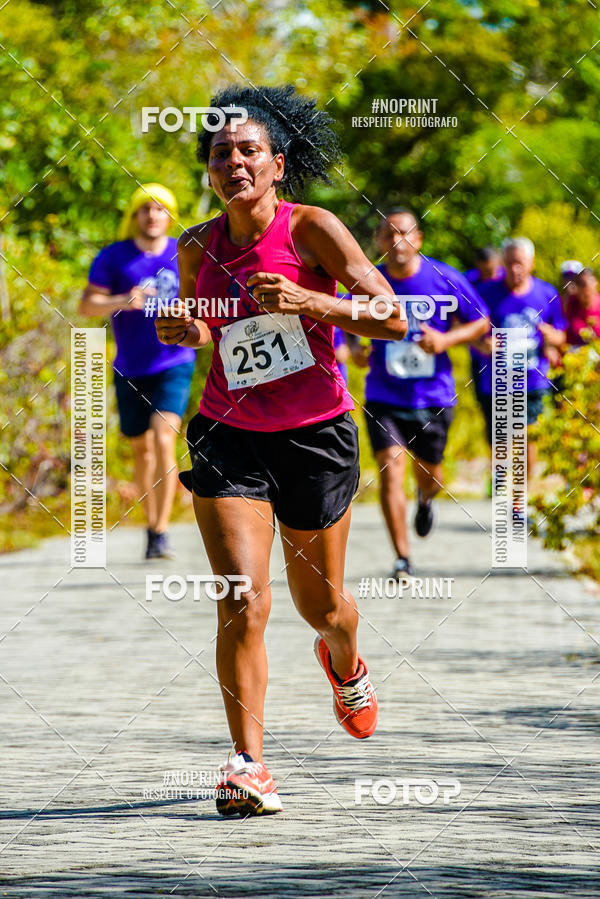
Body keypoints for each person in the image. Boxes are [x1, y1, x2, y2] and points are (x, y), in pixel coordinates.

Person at [155, 85, 407, 817]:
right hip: (228, 433)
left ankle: (347, 662)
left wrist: (314, 303)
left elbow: (391, 317)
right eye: (220, 153)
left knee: (320, 605)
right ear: (209, 169)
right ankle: (248, 763)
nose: (233, 162)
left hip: (316, 436)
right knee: (242, 599)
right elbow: (212, 333)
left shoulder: (313, 230)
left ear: (276, 164)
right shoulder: (196, 245)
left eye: (248, 151)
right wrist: (187, 332)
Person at [351, 209, 490, 581]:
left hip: (434, 396)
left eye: (405, 234)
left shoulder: (443, 276)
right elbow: (340, 316)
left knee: (430, 475)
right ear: (379, 241)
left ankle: (426, 499)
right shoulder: (368, 279)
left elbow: (481, 320)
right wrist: (354, 349)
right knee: (391, 470)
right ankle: (402, 558)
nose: (397, 242)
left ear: (419, 239)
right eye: (389, 234)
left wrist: (446, 339)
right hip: (384, 394)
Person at [79, 184, 195, 560]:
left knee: (164, 440)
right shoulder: (115, 257)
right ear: (135, 215)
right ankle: (151, 528)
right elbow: (87, 306)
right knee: (142, 452)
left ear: (169, 214)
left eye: (161, 208)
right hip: (129, 367)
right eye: (145, 208)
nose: (152, 215)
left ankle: (161, 531)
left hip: (173, 362)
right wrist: (121, 301)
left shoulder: (185, 252)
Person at [476, 237, 567, 484]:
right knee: (501, 439)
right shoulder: (486, 293)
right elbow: (468, 331)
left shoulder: (546, 293)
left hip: (532, 379)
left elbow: (561, 334)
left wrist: (551, 339)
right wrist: (482, 343)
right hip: (496, 381)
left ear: (531, 263)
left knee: (526, 436)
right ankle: (502, 487)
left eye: (521, 263)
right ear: (503, 263)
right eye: (510, 263)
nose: (516, 269)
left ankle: (520, 499)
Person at [565, 267, 600, 346]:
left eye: (584, 284)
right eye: (578, 284)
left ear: (596, 283)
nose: (584, 289)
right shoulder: (571, 304)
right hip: (574, 354)